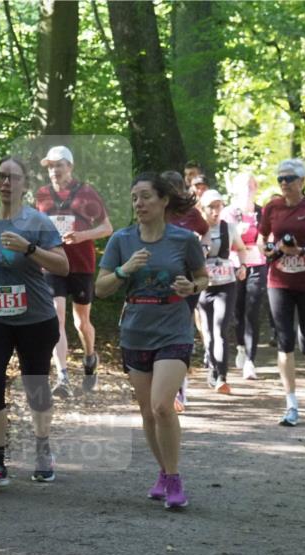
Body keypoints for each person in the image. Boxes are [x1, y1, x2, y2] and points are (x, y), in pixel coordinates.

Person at [95, 173, 207, 509]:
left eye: (145, 197)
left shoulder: (184, 239)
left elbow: (202, 277)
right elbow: (100, 289)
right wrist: (123, 270)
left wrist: (193, 287)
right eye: (134, 199)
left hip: (173, 328)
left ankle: (173, 479)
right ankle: (163, 471)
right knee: (146, 412)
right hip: (135, 330)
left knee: (162, 405)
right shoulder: (122, 240)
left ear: (163, 201)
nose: (139, 204)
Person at [0, 156, 68, 488]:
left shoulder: (38, 222)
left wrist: (29, 249)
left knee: (35, 384)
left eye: (13, 177)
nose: (6, 183)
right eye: (1, 176)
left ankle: (42, 449)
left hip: (35, 318)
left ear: (26, 184)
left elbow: (62, 267)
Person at [259, 159, 305, 426]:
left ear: (302, 181)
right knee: (284, 340)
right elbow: (262, 237)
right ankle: (291, 404)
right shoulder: (272, 207)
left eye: (289, 179)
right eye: (280, 179)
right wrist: (267, 249)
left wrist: (301, 251)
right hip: (278, 281)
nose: (283, 183)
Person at [34, 146, 111, 396]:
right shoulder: (42, 195)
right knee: (56, 316)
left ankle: (90, 356)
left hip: (81, 264)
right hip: (53, 263)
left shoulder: (86, 193)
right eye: (50, 166)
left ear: (70, 166)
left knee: (81, 322)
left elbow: (106, 228)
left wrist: (81, 236)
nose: (54, 170)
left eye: (58, 165)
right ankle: (62, 376)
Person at [161, 170, 207, 411]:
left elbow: (206, 230)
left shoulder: (191, 214)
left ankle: (179, 387)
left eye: (173, 187)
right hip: (160, 282)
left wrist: (202, 247)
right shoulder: (155, 213)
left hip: (187, 280)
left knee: (180, 329)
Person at [198, 189, 247, 394]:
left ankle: (221, 376)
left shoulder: (229, 228)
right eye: (211, 207)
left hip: (226, 285)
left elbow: (242, 249)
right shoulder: (196, 231)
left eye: (219, 206)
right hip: (203, 287)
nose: (216, 211)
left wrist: (242, 266)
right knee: (207, 333)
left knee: (220, 329)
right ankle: (212, 366)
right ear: (203, 209)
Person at [224, 172, 267, 380]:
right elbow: (222, 242)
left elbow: (267, 237)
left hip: (257, 263)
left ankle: (250, 360)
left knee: (253, 309)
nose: (248, 188)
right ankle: (241, 346)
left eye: (251, 184)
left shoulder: (262, 212)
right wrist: (236, 235)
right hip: (235, 264)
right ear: (236, 189)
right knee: (237, 310)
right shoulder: (229, 212)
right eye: (244, 185)